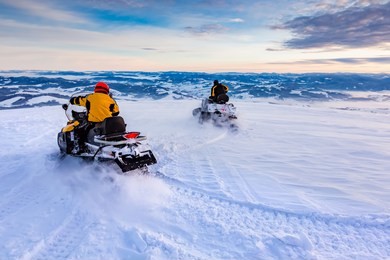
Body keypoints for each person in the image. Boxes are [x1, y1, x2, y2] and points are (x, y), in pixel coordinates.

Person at [69, 81, 120, 150]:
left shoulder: (90, 98)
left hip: (94, 123)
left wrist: (73, 100)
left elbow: (79, 101)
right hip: (108, 123)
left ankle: (80, 148)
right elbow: (116, 112)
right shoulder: (110, 100)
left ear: (96, 89)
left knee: (80, 131)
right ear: (106, 90)